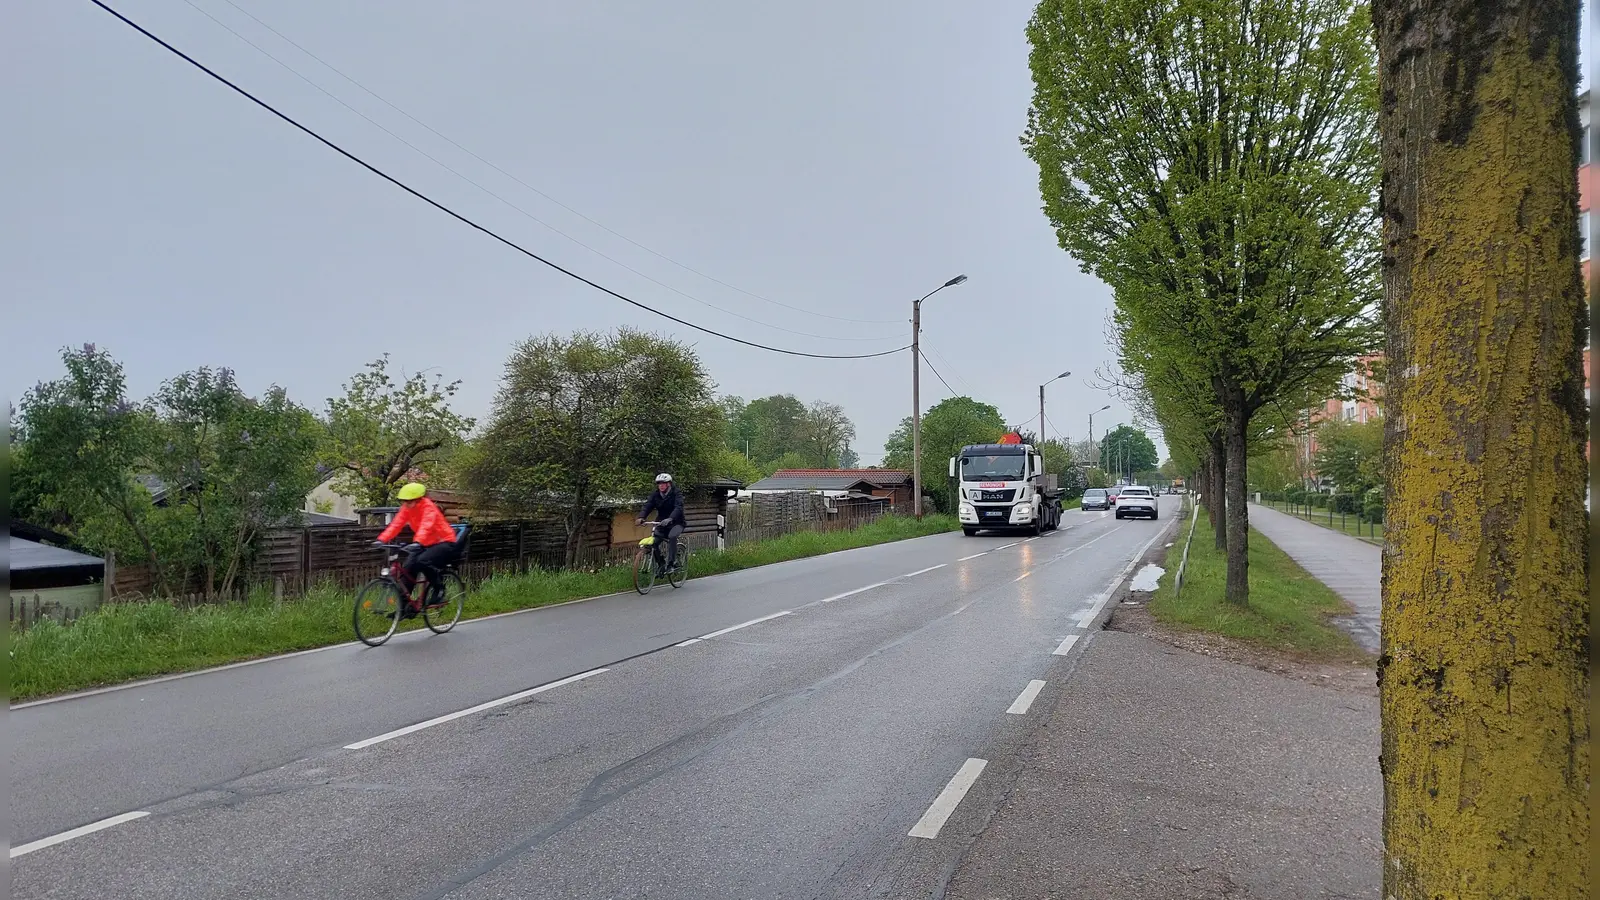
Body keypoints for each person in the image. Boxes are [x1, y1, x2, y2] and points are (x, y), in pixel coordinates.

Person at [374, 482, 457, 617]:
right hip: (424, 543)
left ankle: (439, 589)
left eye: (409, 501)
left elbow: (426, 525)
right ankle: (405, 608)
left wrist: (418, 542)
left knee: (423, 561)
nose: (406, 504)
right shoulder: (406, 508)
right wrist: (381, 539)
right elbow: (396, 524)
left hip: (444, 541)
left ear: (419, 499)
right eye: (404, 501)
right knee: (408, 569)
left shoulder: (429, 508)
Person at [636, 473, 685, 573]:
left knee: (672, 537)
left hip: (677, 522)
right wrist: (641, 517)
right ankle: (661, 564)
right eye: (659, 483)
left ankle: (671, 564)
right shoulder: (656, 495)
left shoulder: (676, 493)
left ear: (669, 484)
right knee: (653, 542)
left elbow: (678, 507)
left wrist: (671, 518)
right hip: (661, 523)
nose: (661, 485)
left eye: (663, 483)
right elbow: (648, 506)